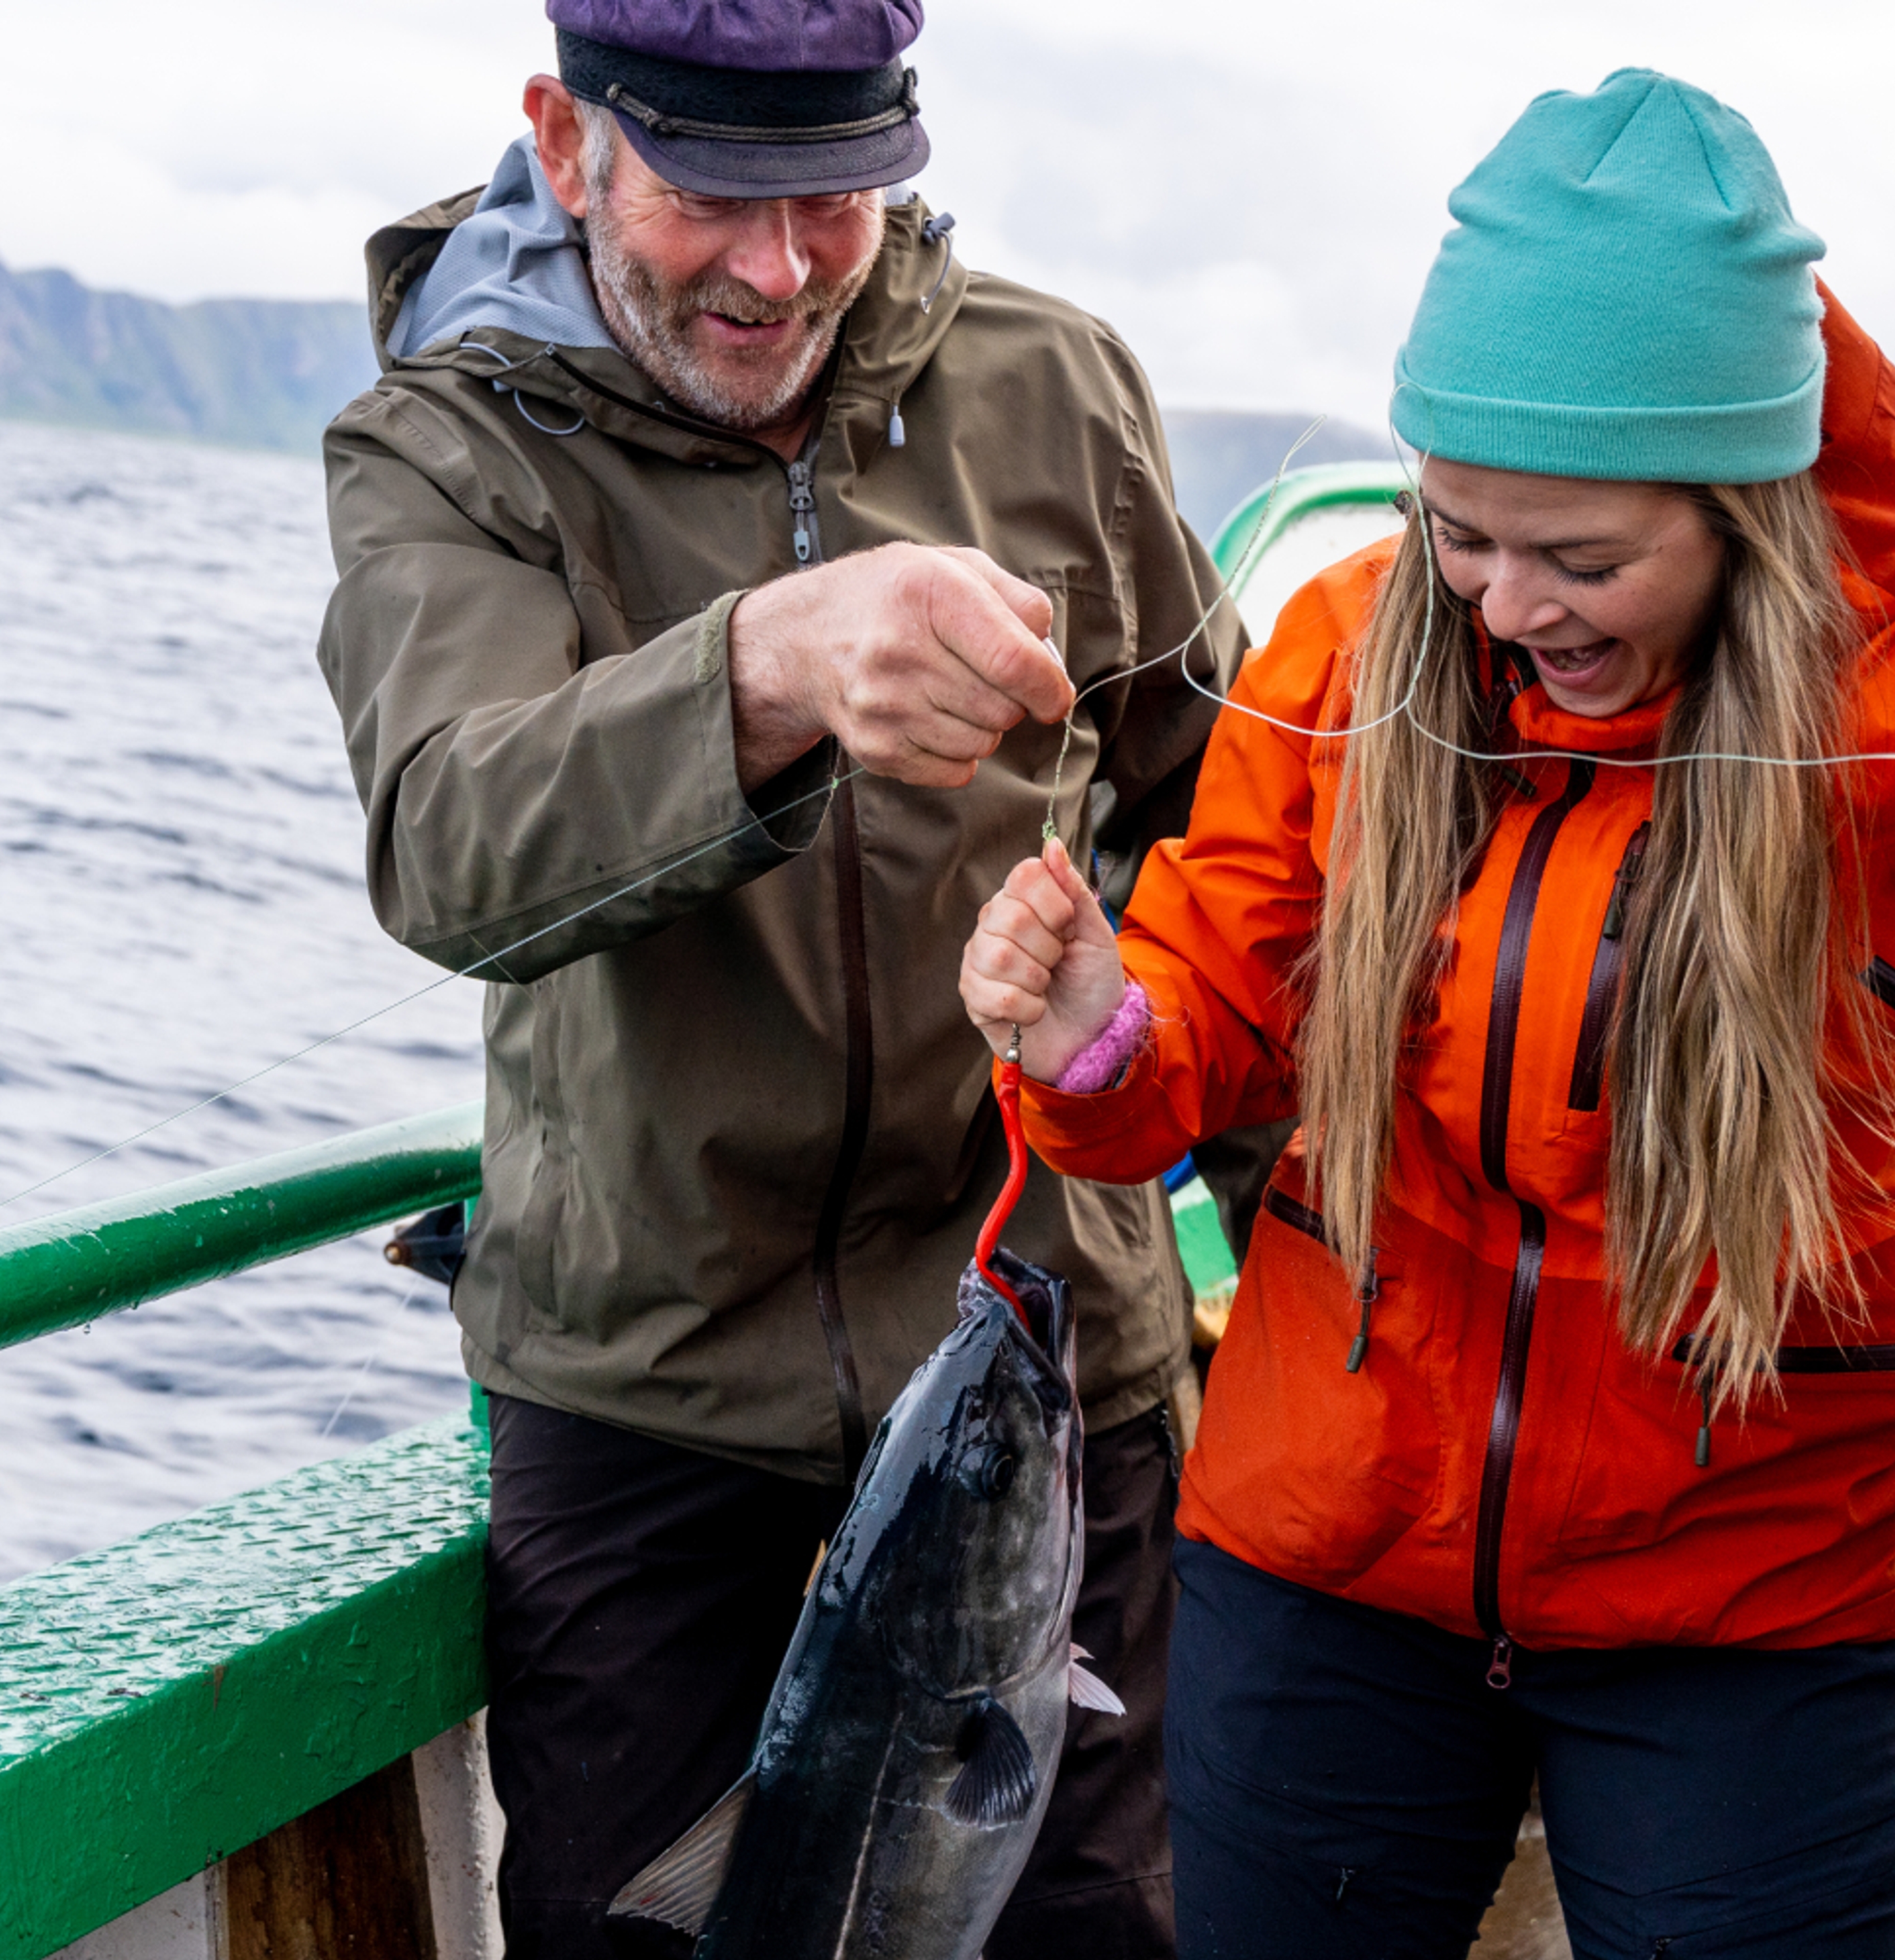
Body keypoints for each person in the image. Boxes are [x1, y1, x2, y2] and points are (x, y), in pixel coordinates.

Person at [959, 69, 1895, 1959]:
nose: (1506, 606)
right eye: (1462, 535)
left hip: (1746, 1614)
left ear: (1747, 503)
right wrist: (1095, 1026)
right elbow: (1198, 1044)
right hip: (1325, 1579)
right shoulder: (1346, 643)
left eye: (1583, 559)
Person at [316, 3, 1236, 1952]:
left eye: (838, 195)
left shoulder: (1061, 390)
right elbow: (448, 843)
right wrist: (765, 668)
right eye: (714, 193)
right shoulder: (447, 442)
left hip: (1047, 1382)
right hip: (655, 1411)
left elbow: (1224, 831)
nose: (780, 265)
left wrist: (1135, 1032)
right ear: (565, 145)